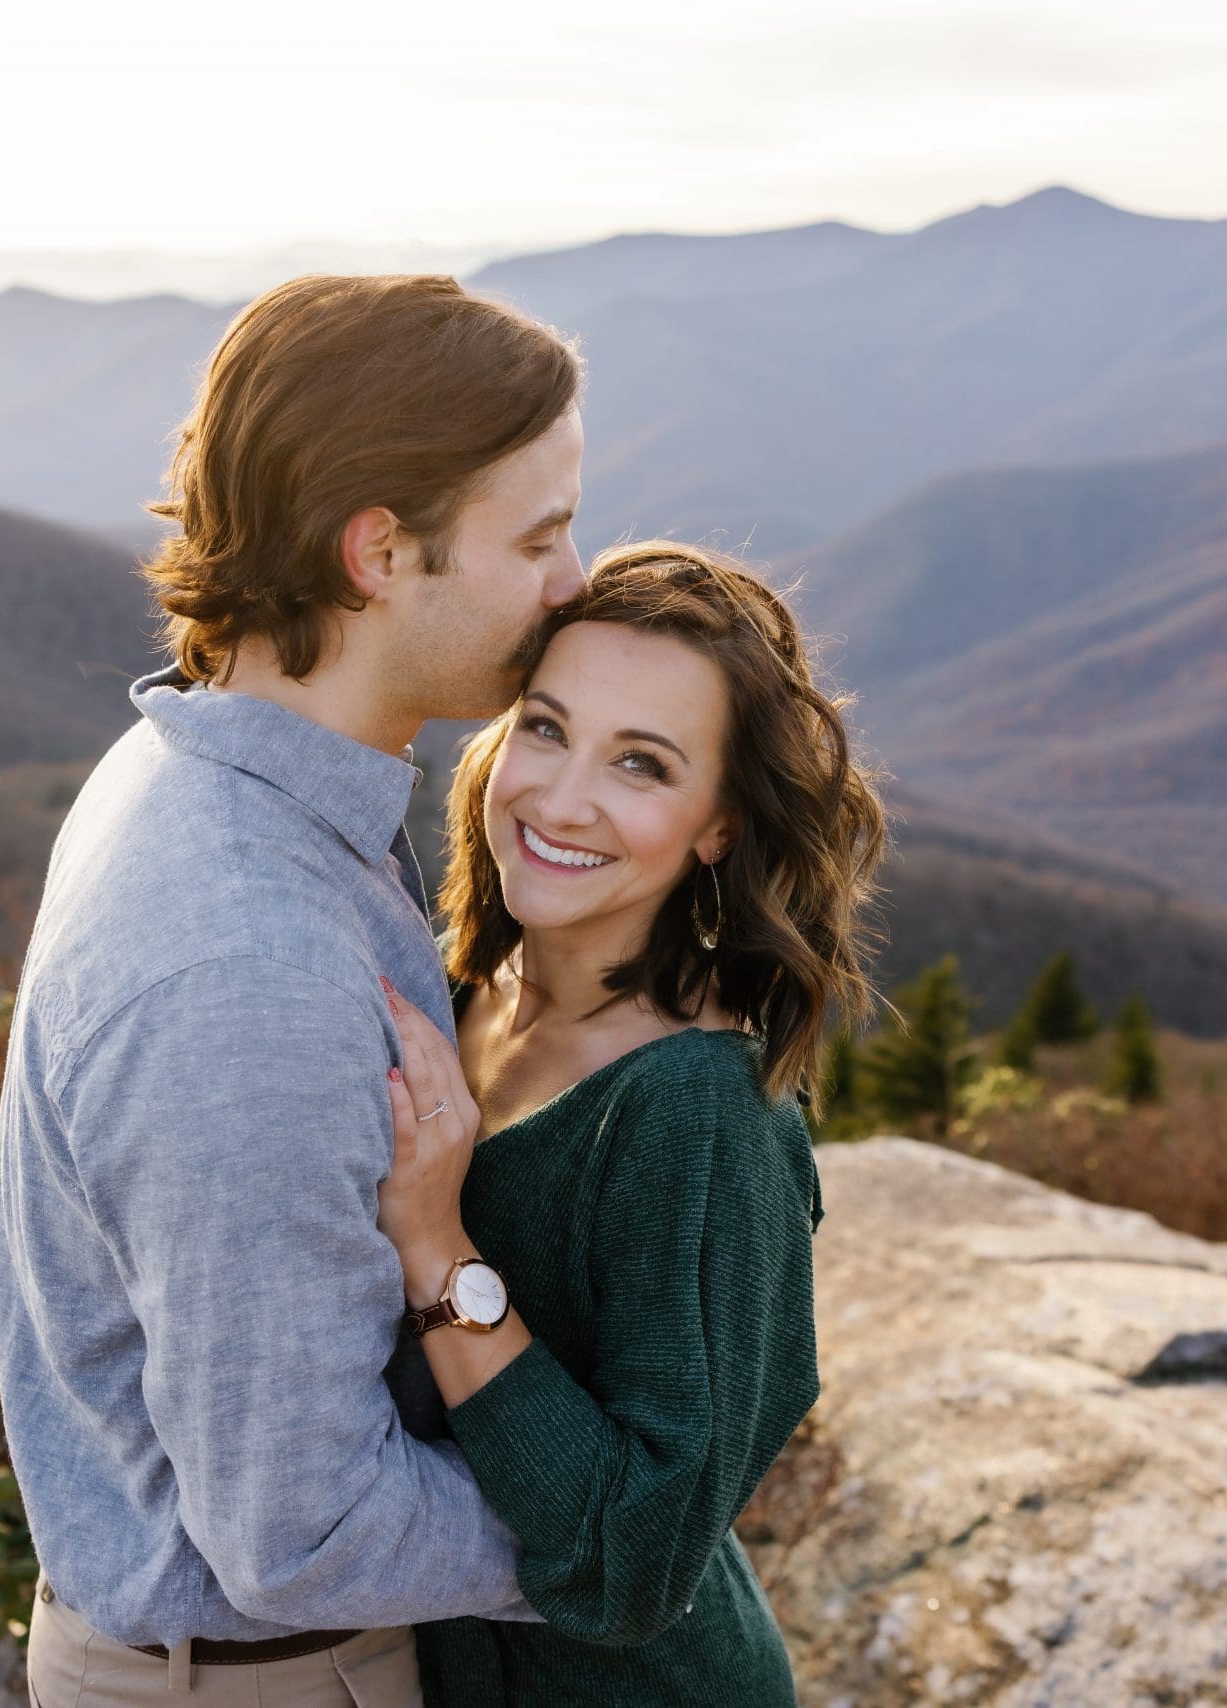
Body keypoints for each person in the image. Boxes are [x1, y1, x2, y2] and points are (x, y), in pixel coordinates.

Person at [0, 273, 586, 1707]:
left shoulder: (200, 771)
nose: (574, 584)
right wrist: (614, 1524)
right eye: (543, 536)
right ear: (383, 550)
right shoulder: (246, 960)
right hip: (267, 1679)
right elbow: (300, 1531)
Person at [376, 541, 887, 1704]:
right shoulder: (459, 990)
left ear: (717, 826)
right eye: (546, 727)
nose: (561, 798)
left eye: (641, 765)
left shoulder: (698, 1116)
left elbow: (633, 1559)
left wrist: (438, 1250)